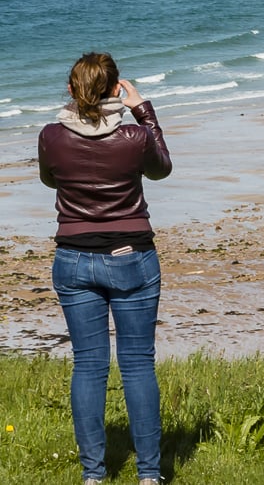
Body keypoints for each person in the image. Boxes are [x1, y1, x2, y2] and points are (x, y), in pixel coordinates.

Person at [37, 52, 172, 485]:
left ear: (73, 91)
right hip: (132, 256)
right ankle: (149, 474)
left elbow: (49, 180)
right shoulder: (134, 136)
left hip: (73, 258)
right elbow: (162, 169)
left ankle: (93, 475)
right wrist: (143, 109)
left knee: (88, 365)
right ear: (116, 88)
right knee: (137, 365)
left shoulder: (51, 136)